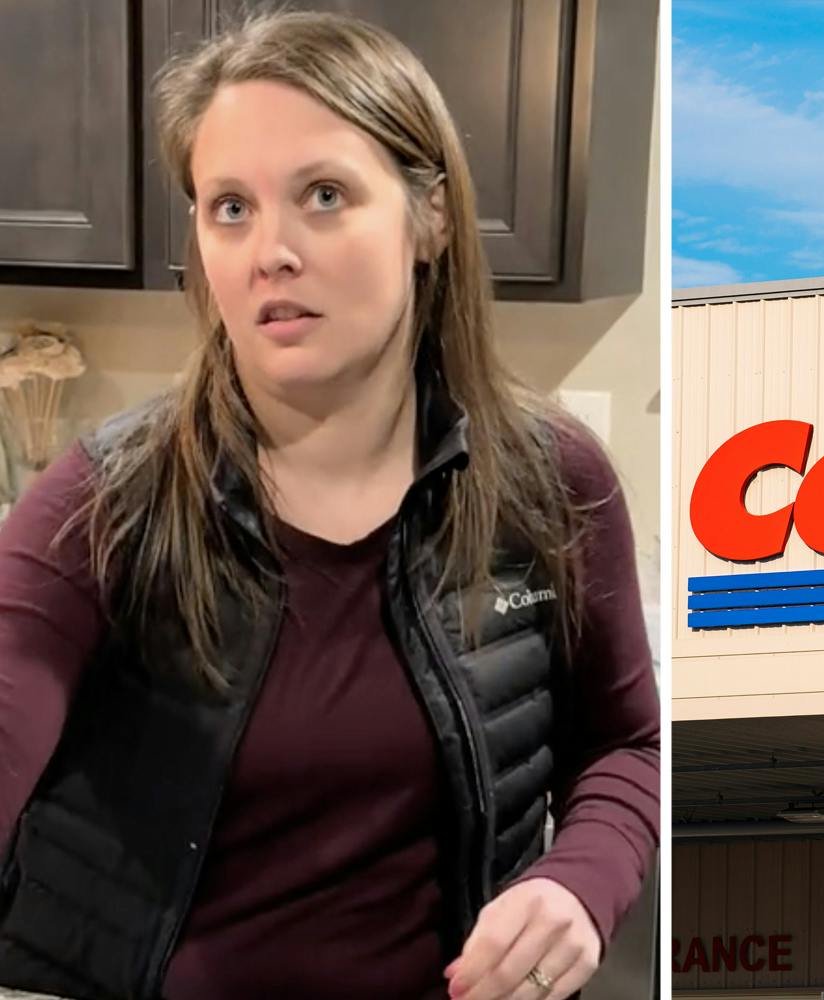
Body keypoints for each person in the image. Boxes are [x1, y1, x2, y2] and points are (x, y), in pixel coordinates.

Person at [0, 12, 659, 1000]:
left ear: (429, 217)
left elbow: (624, 745)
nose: (271, 250)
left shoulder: (548, 483)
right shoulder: (103, 503)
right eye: (230, 207)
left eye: (323, 195)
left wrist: (581, 882)